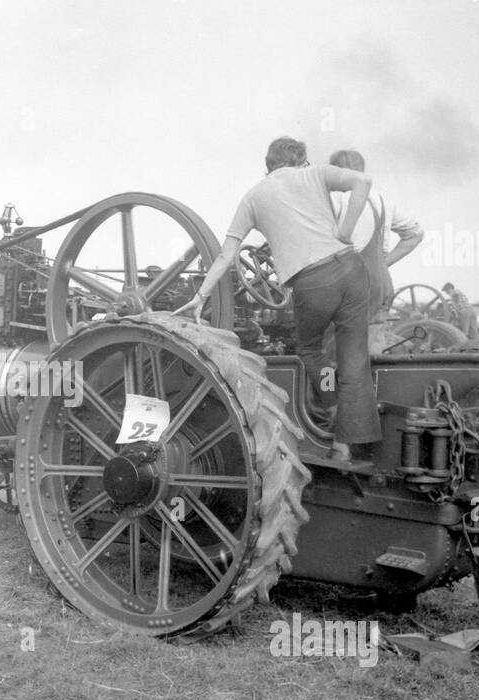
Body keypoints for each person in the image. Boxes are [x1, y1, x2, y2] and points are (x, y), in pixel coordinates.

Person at [178, 136, 380, 461]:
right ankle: (346, 441)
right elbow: (364, 181)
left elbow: (226, 255)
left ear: (268, 165)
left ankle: (331, 404)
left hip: (315, 282)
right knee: (353, 358)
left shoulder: (254, 196)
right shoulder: (314, 174)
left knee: (311, 350)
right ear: (300, 160)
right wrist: (344, 231)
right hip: (353, 271)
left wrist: (201, 295)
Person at [328, 150, 423, 353]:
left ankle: (328, 386)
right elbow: (416, 234)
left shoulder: (336, 198)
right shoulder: (382, 200)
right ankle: (372, 384)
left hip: (346, 285)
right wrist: (383, 263)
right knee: (373, 348)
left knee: (331, 352)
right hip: (380, 284)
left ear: (337, 173)